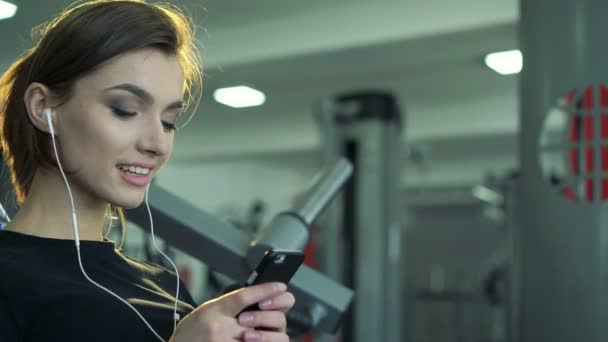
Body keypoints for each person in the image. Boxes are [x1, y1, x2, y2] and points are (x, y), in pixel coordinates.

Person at [0, 1, 295, 341]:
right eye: (125, 110)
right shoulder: (8, 279)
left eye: (169, 122)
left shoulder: (167, 287)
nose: (158, 143)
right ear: (43, 107)